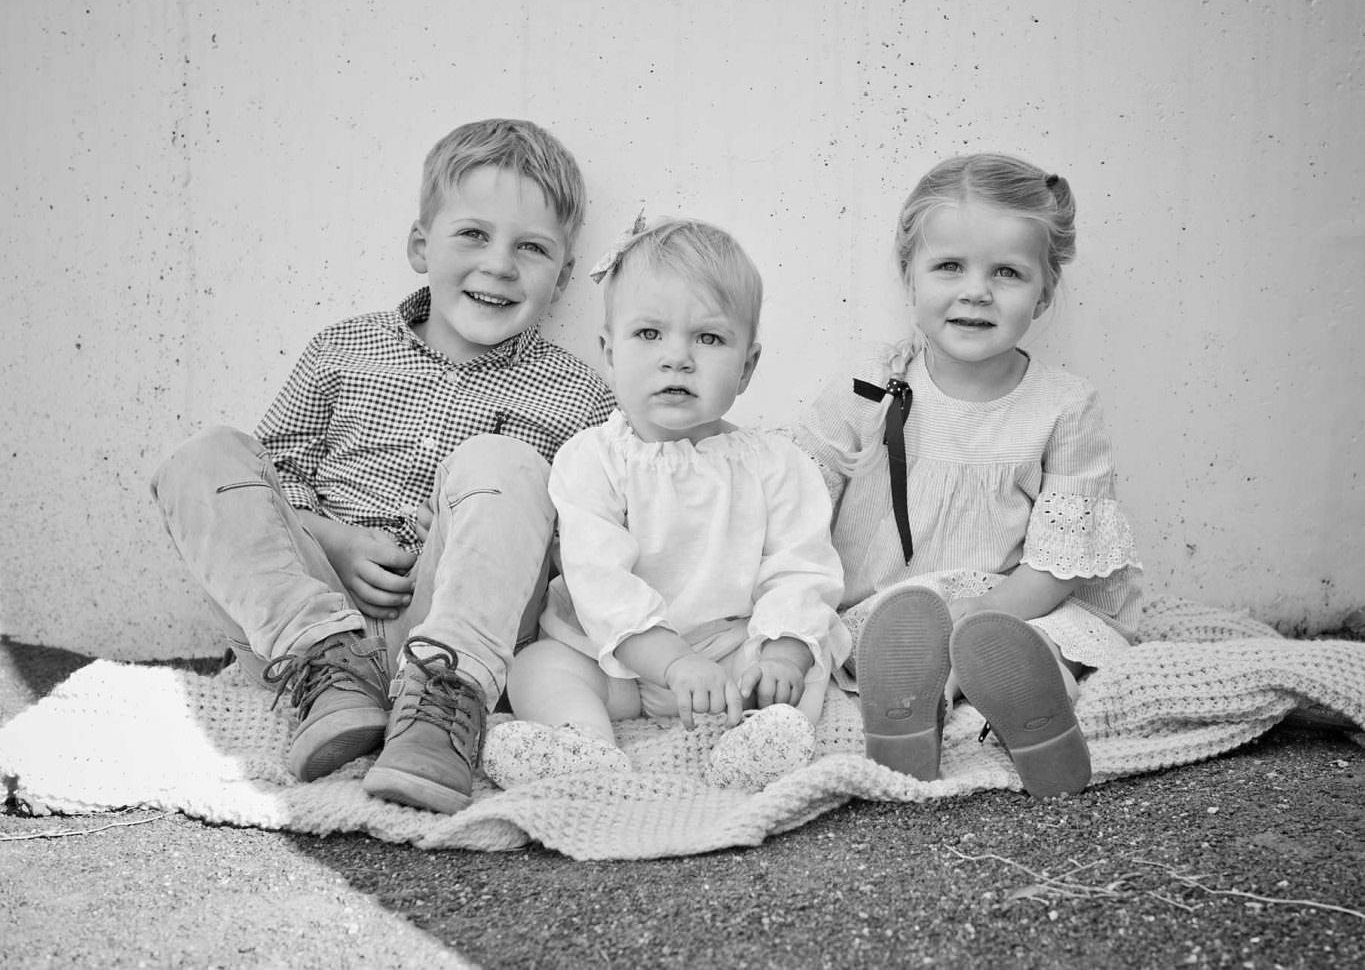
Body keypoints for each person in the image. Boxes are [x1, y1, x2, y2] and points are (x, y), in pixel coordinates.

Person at [150, 118, 615, 814]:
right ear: (420, 245)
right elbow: (268, 481)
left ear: (564, 275)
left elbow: (592, 538)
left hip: (457, 625)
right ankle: (328, 678)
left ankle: (440, 706)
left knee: (505, 463)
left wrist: (466, 525)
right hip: (311, 611)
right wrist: (334, 541)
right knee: (201, 458)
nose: (499, 264)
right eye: (473, 235)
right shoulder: (346, 350)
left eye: (532, 248)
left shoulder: (578, 394)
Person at [792, 153, 1142, 797]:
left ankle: (1036, 717)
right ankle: (911, 714)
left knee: (1045, 647)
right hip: (897, 613)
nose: (976, 290)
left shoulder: (1063, 405)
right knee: (891, 647)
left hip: (1017, 604)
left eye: (1006, 272)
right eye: (950, 266)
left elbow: (1057, 566)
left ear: (1044, 294)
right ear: (910, 278)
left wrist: (978, 614)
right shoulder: (871, 384)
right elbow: (798, 504)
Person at [482, 217, 850, 792]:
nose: (676, 358)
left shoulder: (777, 463)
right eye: (649, 335)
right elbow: (598, 579)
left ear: (748, 367)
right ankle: (583, 744)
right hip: (613, 657)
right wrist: (672, 662)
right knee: (537, 668)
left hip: (727, 656)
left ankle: (759, 740)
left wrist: (781, 655)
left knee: (811, 657)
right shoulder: (592, 459)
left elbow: (801, 567)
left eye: (708, 338)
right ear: (609, 351)